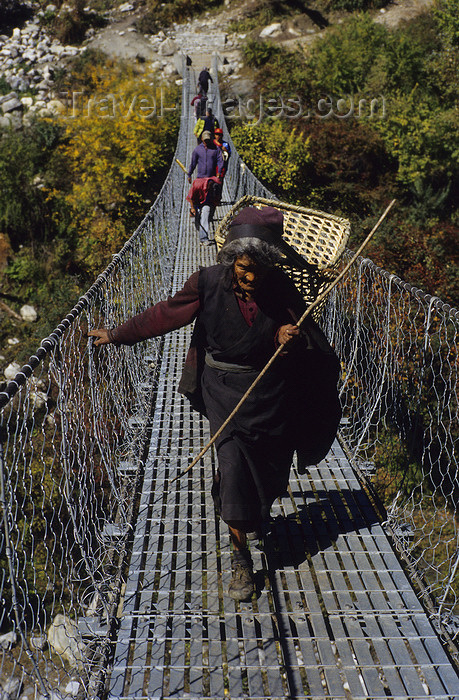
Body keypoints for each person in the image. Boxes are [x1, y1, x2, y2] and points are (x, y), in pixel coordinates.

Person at [88, 207, 341, 602]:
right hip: (223, 391)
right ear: (231, 260)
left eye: (259, 268)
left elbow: (311, 337)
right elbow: (164, 315)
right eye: (243, 267)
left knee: (271, 471)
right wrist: (118, 334)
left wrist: (288, 337)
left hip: (272, 394)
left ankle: (254, 509)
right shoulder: (206, 282)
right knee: (235, 467)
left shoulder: (281, 286)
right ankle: (241, 560)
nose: (251, 277)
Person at [186, 176, 222, 246]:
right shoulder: (197, 185)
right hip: (196, 201)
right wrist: (192, 208)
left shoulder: (217, 184)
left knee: (206, 213)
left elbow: (217, 198)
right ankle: (200, 228)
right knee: (196, 221)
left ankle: (204, 238)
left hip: (207, 202)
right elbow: (190, 197)